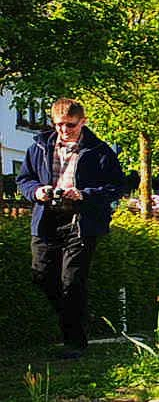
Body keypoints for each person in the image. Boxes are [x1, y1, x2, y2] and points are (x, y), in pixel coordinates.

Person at [19, 99, 128, 359]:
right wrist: (37, 191)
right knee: (42, 275)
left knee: (73, 281)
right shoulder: (38, 145)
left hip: (82, 223)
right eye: (59, 125)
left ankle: (75, 343)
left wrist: (83, 194)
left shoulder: (100, 151)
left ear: (83, 122)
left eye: (71, 125)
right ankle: (74, 317)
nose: (65, 130)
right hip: (46, 219)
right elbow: (24, 179)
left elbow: (117, 187)